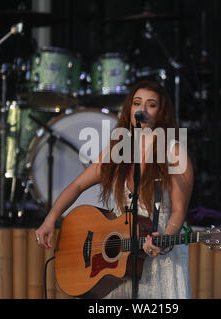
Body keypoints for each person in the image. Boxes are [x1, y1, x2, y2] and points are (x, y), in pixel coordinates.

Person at [35, 80, 194, 299]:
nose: (142, 110)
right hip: (120, 258)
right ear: (129, 109)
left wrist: (164, 240)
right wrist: (51, 219)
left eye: (151, 105)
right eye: (137, 103)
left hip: (160, 255)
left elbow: (179, 210)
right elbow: (77, 185)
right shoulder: (118, 151)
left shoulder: (174, 151)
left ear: (162, 112)